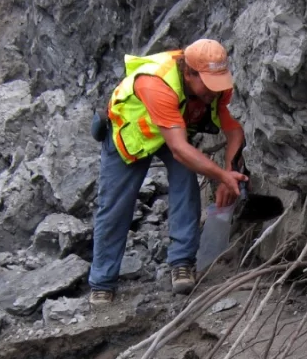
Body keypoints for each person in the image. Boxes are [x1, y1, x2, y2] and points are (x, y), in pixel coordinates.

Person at [88, 39, 247, 304]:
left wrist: (230, 170)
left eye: (217, 84)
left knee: (186, 183)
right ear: (189, 73)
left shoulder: (217, 85)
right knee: (116, 206)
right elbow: (179, 148)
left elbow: (234, 130)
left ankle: (182, 263)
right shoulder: (156, 83)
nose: (213, 92)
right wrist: (221, 176)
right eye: (207, 85)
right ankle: (102, 282)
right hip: (132, 135)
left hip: (175, 128)